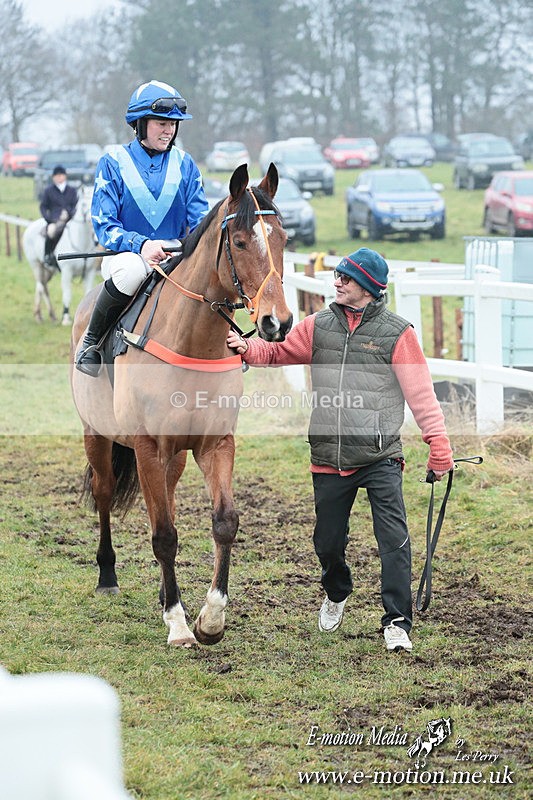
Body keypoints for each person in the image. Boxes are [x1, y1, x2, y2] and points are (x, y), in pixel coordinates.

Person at [227, 247, 454, 653]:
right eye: (338, 276)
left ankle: (397, 621)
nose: (337, 283)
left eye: (346, 279)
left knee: (394, 541)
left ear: (367, 288)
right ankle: (336, 591)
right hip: (328, 455)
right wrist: (248, 350)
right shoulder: (319, 325)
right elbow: (279, 351)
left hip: (380, 455)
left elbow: (421, 395)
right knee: (327, 543)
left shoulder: (397, 334)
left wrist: (439, 445)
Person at [76, 79, 209, 376]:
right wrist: (142, 245)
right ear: (140, 124)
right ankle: (92, 341)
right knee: (132, 271)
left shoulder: (185, 164)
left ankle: (226, 347)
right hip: (125, 255)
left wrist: (185, 247)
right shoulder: (112, 163)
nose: (169, 130)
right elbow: (104, 226)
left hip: (175, 255)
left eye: (174, 124)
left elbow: (200, 220)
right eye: (162, 122)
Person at [39, 165, 79, 268]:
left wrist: (69, 213)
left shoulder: (72, 190)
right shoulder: (49, 190)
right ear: (53, 177)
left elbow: (75, 205)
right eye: (56, 176)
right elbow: (43, 206)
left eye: (60, 175)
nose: (58, 177)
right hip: (54, 220)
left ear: (65, 176)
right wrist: (49, 220)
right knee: (51, 231)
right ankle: (48, 254)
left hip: (70, 220)